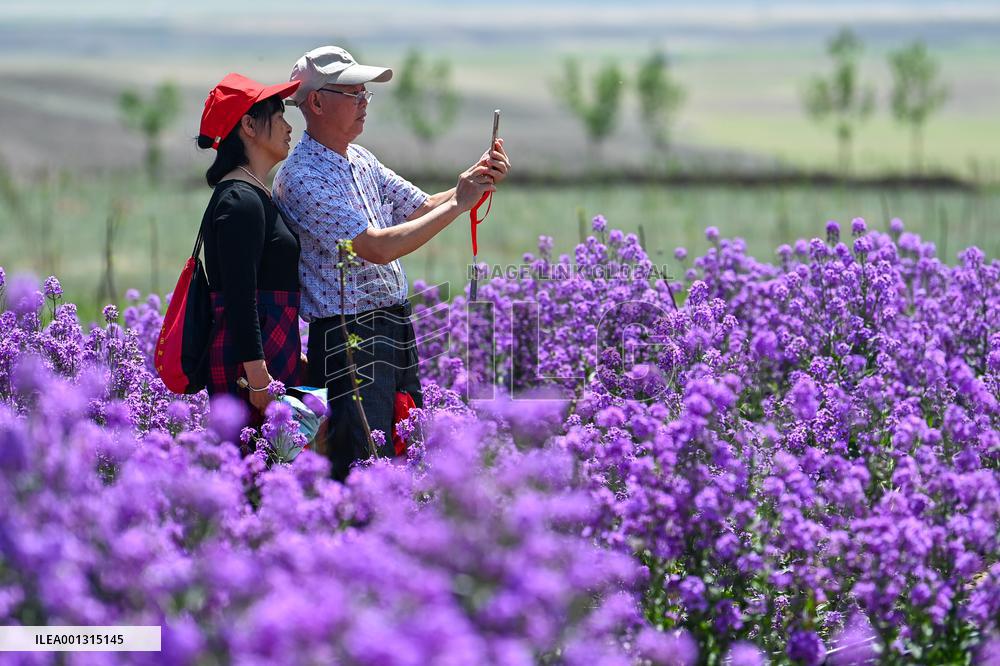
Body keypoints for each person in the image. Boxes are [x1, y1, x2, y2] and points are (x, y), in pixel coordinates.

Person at [273, 46, 510, 479]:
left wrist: (471, 181)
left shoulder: (360, 159)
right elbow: (376, 247)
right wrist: (460, 202)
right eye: (354, 93)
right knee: (362, 461)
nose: (365, 103)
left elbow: (419, 208)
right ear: (317, 102)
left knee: (403, 445)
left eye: (366, 94)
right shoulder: (301, 176)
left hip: (391, 325)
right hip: (351, 338)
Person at [196, 73, 304, 430]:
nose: (289, 128)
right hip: (249, 372)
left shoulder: (251, 195)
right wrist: (258, 378)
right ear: (249, 126)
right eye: (278, 116)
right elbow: (241, 299)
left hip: (262, 360)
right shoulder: (240, 201)